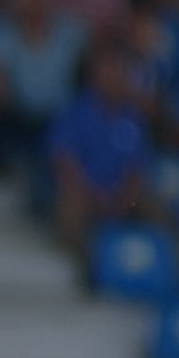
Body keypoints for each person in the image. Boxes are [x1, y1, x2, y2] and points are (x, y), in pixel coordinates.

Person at [50, 48, 154, 257]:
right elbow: (64, 162)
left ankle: (160, 263)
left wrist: (123, 200)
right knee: (70, 207)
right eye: (108, 71)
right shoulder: (74, 111)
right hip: (85, 194)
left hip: (122, 198)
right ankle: (87, 263)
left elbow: (136, 169)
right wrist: (93, 196)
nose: (114, 77)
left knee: (154, 206)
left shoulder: (132, 117)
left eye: (119, 71)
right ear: (93, 76)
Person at [0, 0, 84, 176]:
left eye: (41, 1)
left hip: (59, 115)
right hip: (19, 113)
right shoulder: (2, 37)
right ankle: (0, 168)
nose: (35, 7)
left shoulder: (70, 34)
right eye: (30, 1)